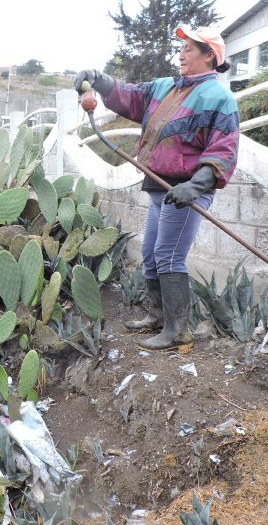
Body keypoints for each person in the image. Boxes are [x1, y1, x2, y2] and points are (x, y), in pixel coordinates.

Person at [74, 26, 239, 352]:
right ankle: (158, 316)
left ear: (209, 56)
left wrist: (197, 185)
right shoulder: (164, 88)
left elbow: (224, 149)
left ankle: (178, 331)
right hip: (160, 188)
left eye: (189, 49)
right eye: (181, 48)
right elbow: (128, 95)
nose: (181, 54)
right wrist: (95, 77)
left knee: (169, 256)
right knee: (151, 254)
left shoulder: (219, 98)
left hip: (187, 192)